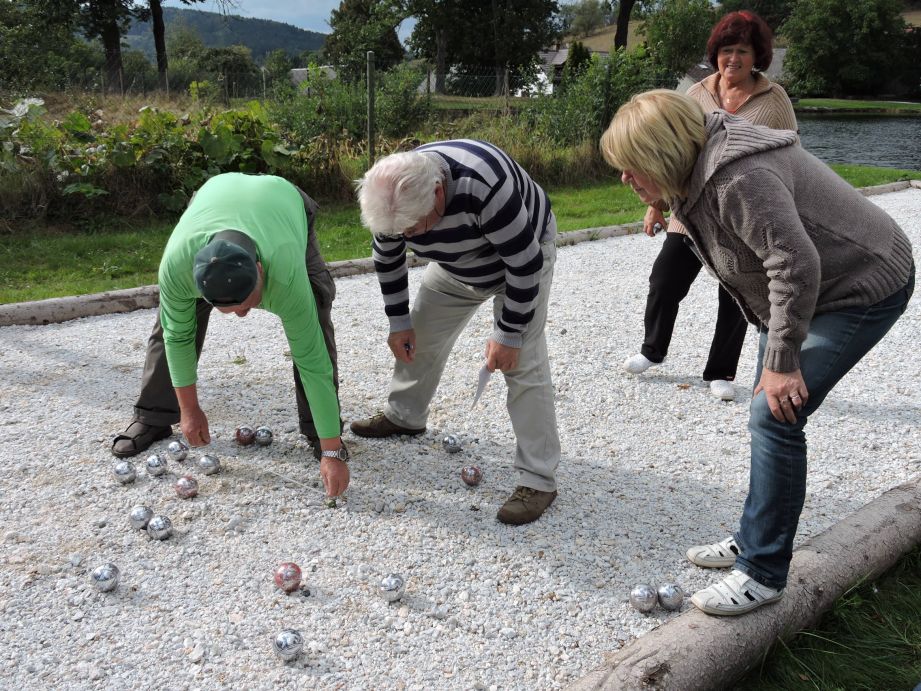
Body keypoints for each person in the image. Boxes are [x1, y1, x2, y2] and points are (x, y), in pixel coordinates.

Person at [600, 90, 914, 615]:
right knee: (766, 411)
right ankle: (754, 535)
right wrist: (660, 198)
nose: (625, 179)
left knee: (775, 414)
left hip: (862, 282)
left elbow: (795, 264)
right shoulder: (697, 164)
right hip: (804, 290)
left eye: (633, 167)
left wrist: (784, 360)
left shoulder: (738, 177)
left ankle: (764, 573)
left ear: (662, 154)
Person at [352, 140, 561, 526]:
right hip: (455, 267)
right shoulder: (392, 198)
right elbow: (387, 255)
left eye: (414, 228)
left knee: (523, 364)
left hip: (520, 258)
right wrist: (398, 322)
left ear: (437, 191)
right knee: (421, 336)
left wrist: (509, 333)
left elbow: (525, 262)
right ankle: (405, 415)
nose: (409, 236)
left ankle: (538, 480)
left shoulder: (483, 183)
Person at [111, 173, 349, 497]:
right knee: (173, 321)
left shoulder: (285, 274)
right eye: (229, 308)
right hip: (213, 196)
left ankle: (319, 434)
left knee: (316, 311)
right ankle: (154, 415)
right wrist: (189, 410)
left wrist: (332, 451)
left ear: (260, 272)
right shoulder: (177, 267)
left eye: (247, 303)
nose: (241, 314)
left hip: (284, 203)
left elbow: (312, 361)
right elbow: (177, 337)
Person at [623, 11, 797, 402]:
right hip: (690, 212)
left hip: (743, 217)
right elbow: (671, 155)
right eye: (726, 50)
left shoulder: (774, 100)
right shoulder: (696, 93)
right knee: (664, 281)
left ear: (758, 57)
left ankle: (720, 372)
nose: (733, 58)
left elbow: (791, 155)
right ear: (715, 54)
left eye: (743, 51)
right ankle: (653, 350)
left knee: (737, 295)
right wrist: (655, 204)